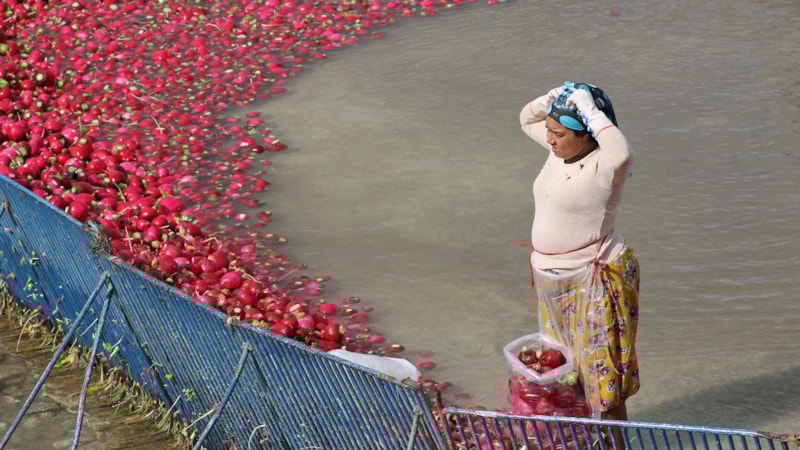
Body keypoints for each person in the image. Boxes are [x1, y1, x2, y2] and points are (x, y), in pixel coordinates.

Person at [519, 81, 640, 422]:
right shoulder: (559, 152)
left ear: (587, 134)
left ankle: (614, 445)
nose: (551, 139)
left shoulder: (605, 165)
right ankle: (582, 438)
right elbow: (525, 120)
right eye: (550, 132)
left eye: (558, 133)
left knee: (604, 375)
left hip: (594, 276)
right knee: (566, 370)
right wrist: (549, 98)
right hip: (554, 279)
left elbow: (623, 152)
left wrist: (590, 109)